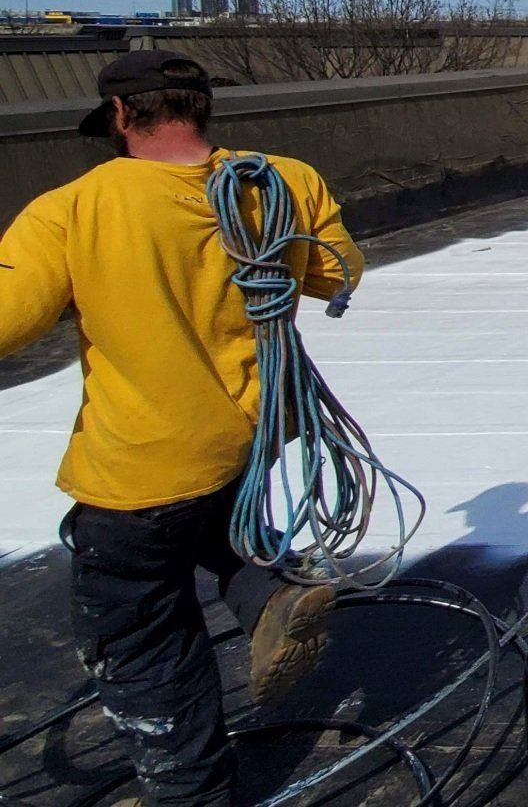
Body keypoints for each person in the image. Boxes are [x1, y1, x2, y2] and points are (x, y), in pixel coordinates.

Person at [0, 51, 366, 806]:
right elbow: (340, 273)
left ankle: (190, 793)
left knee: (142, 643)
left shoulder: (74, 208)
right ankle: (267, 594)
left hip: (139, 470)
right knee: (208, 522)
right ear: (200, 109)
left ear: (124, 116)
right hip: (246, 441)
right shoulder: (282, 182)